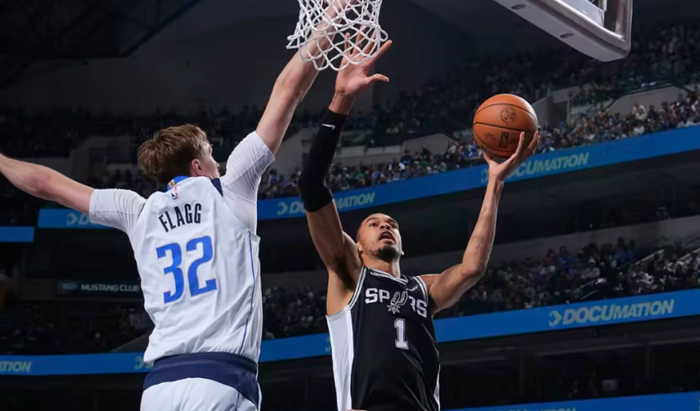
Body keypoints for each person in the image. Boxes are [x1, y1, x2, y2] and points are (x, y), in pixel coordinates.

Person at [0, 4, 358, 411]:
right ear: (197, 165)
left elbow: (46, 183)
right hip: (220, 378)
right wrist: (332, 18)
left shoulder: (137, 211)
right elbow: (288, 90)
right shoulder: (230, 187)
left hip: (159, 388)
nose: (218, 163)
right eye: (211, 155)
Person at [298, 45, 539, 411]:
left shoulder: (423, 289)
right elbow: (311, 185)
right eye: (373, 223)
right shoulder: (349, 273)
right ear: (357, 245)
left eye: (392, 224)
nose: (385, 226)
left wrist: (495, 182)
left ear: (402, 244)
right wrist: (341, 100)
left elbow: (471, 268)